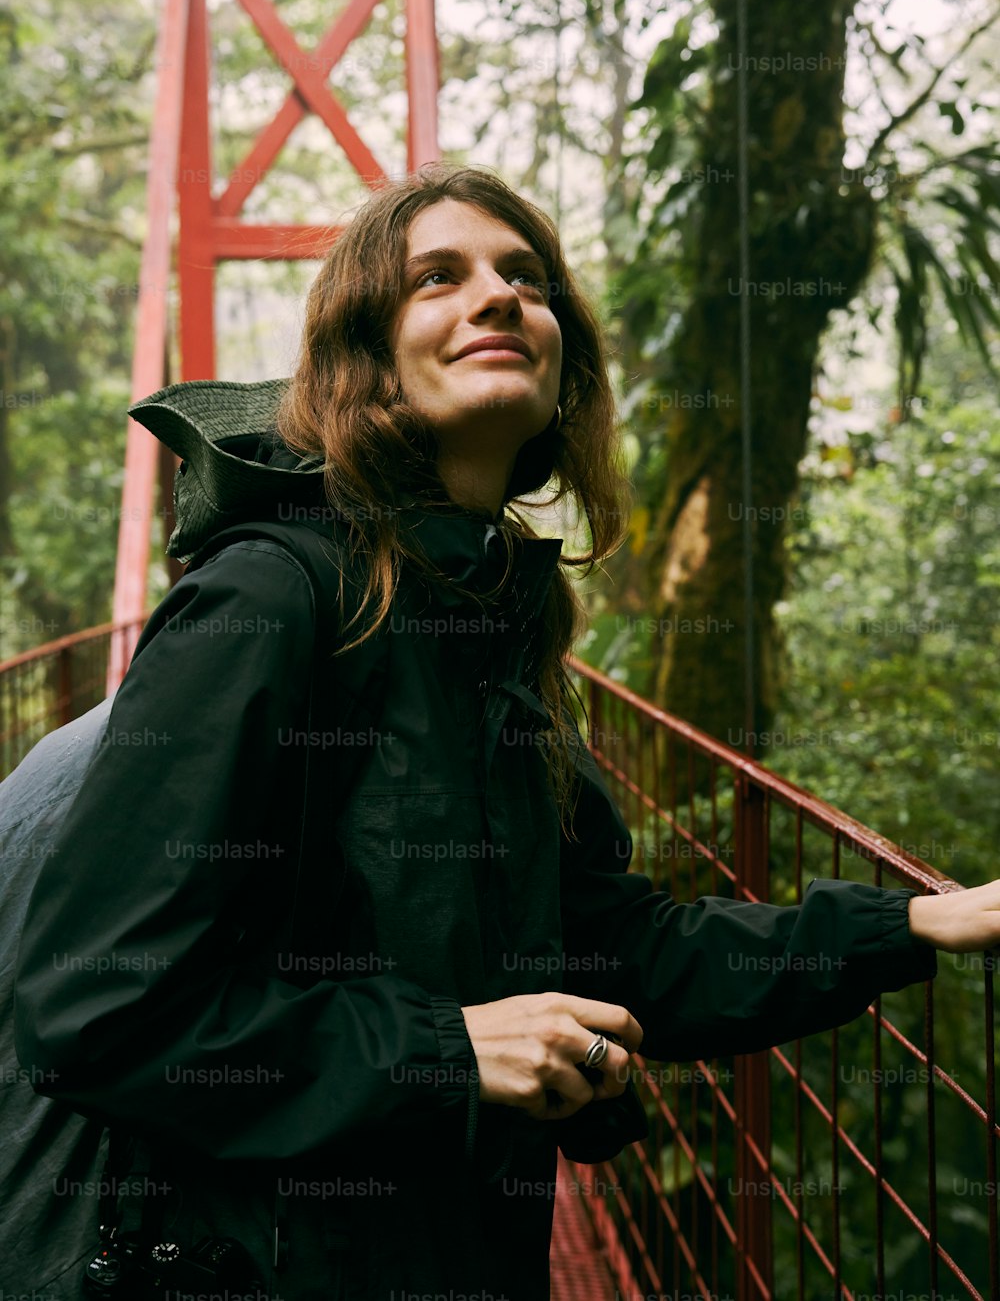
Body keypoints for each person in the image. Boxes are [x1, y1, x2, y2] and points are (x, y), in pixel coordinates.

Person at [12, 163, 1000, 1301]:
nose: (498, 296)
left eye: (525, 277)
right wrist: (449, 1047)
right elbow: (95, 1005)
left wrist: (915, 922)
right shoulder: (269, 603)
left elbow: (622, 950)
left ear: (564, 359)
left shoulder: (488, 626)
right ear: (364, 355)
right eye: (439, 276)